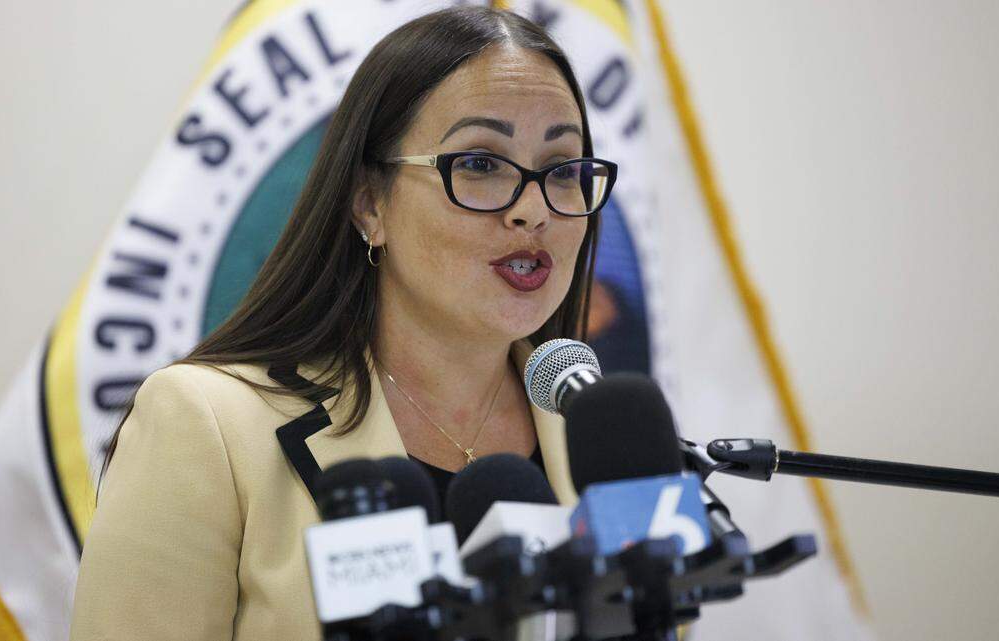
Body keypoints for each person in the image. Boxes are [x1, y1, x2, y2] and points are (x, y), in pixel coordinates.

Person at [68, 6, 617, 640]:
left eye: (563, 171)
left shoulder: (606, 441)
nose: (533, 209)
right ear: (368, 205)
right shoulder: (206, 427)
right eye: (479, 164)